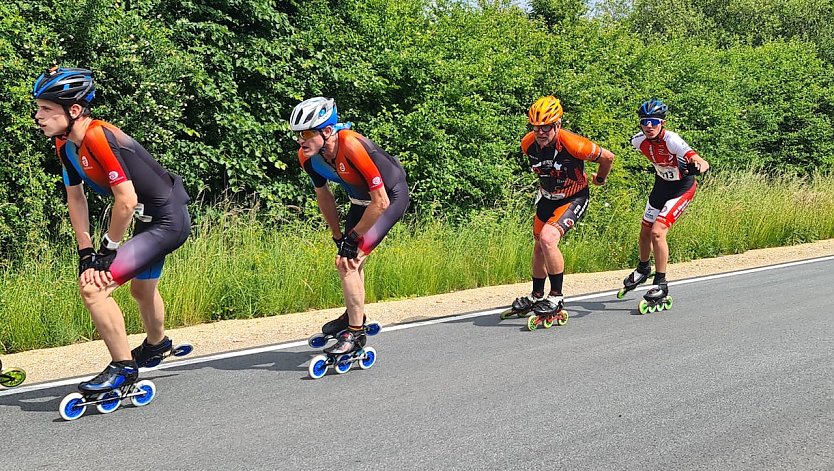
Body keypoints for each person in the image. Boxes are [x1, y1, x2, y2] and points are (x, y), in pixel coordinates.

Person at [32, 67, 191, 392]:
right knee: (141, 291)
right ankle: (157, 345)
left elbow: (126, 200)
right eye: (38, 108)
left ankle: (123, 368)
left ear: (73, 110)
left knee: (94, 288)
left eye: (46, 109)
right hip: (153, 220)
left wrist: (107, 251)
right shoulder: (66, 146)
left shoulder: (98, 136)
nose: (38, 116)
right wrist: (85, 251)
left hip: (168, 221)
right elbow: (75, 198)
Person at [290, 97, 409, 353]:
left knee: (350, 260)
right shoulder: (308, 157)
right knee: (346, 259)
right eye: (298, 135)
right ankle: (354, 315)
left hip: (390, 197)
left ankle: (355, 334)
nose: (301, 140)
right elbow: (324, 196)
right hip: (360, 200)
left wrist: (352, 239)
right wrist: (337, 235)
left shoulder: (351, 145)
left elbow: (381, 202)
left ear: (328, 131)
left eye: (307, 134)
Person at [507, 95, 615, 323]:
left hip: (573, 197)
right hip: (547, 199)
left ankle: (556, 297)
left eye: (546, 127)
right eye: (536, 128)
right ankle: (537, 295)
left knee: (548, 239)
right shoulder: (528, 143)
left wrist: (601, 179)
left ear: (558, 125)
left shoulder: (574, 144)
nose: (541, 133)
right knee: (538, 246)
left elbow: (608, 157)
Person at [623, 98, 710, 305]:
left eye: (654, 121)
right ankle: (643, 268)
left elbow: (702, 161)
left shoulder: (672, 140)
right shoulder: (638, 140)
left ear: (663, 122)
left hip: (682, 188)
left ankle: (661, 282)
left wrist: (698, 166)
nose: (649, 126)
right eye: (645, 121)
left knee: (657, 232)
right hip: (661, 186)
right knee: (644, 232)